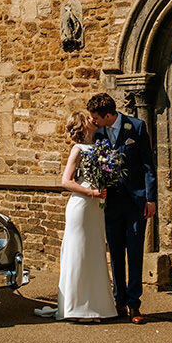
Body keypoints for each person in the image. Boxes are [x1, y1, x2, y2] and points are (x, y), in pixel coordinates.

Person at [35, 112, 118, 323]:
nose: (93, 120)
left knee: (95, 251)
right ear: (84, 125)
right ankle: (76, 307)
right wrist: (91, 192)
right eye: (89, 118)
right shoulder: (78, 149)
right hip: (81, 206)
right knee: (79, 252)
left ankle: (95, 307)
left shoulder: (99, 148)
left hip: (96, 206)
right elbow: (66, 181)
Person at [87, 92, 157, 325]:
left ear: (108, 115)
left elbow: (148, 164)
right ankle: (118, 301)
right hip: (111, 203)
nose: (93, 120)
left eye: (95, 117)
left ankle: (134, 304)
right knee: (115, 253)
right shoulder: (98, 133)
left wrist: (151, 199)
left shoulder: (135, 127)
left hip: (136, 202)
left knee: (135, 252)